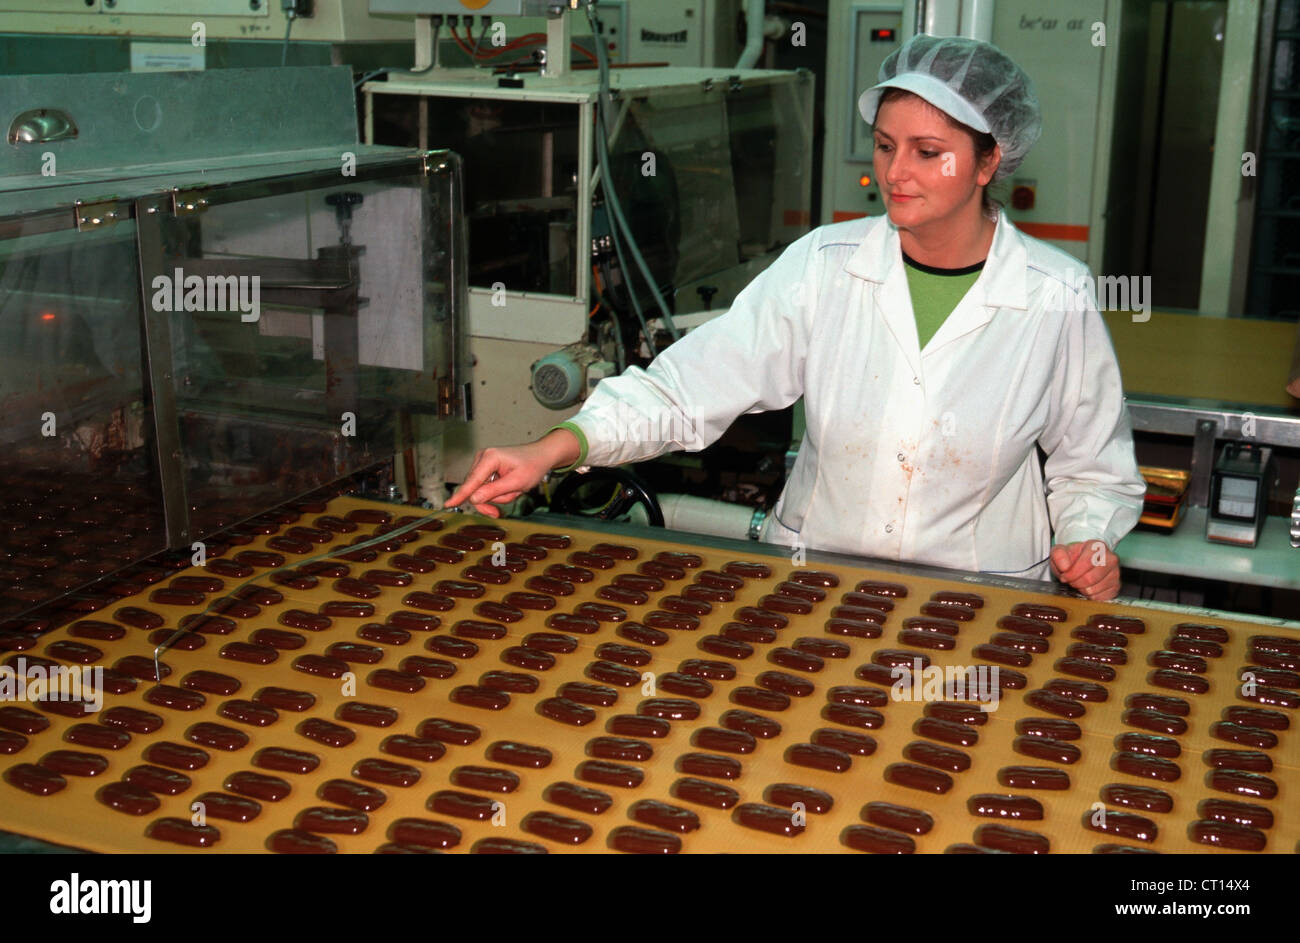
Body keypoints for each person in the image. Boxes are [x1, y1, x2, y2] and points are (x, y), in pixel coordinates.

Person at [446, 34, 1146, 602]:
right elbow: (687, 389)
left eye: (928, 153)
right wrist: (554, 447)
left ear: (989, 160)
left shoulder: (1056, 294)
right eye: (885, 145)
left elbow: (1094, 470)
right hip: (816, 595)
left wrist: (1087, 542)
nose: (895, 171)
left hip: (980, 607)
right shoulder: (825, 266)